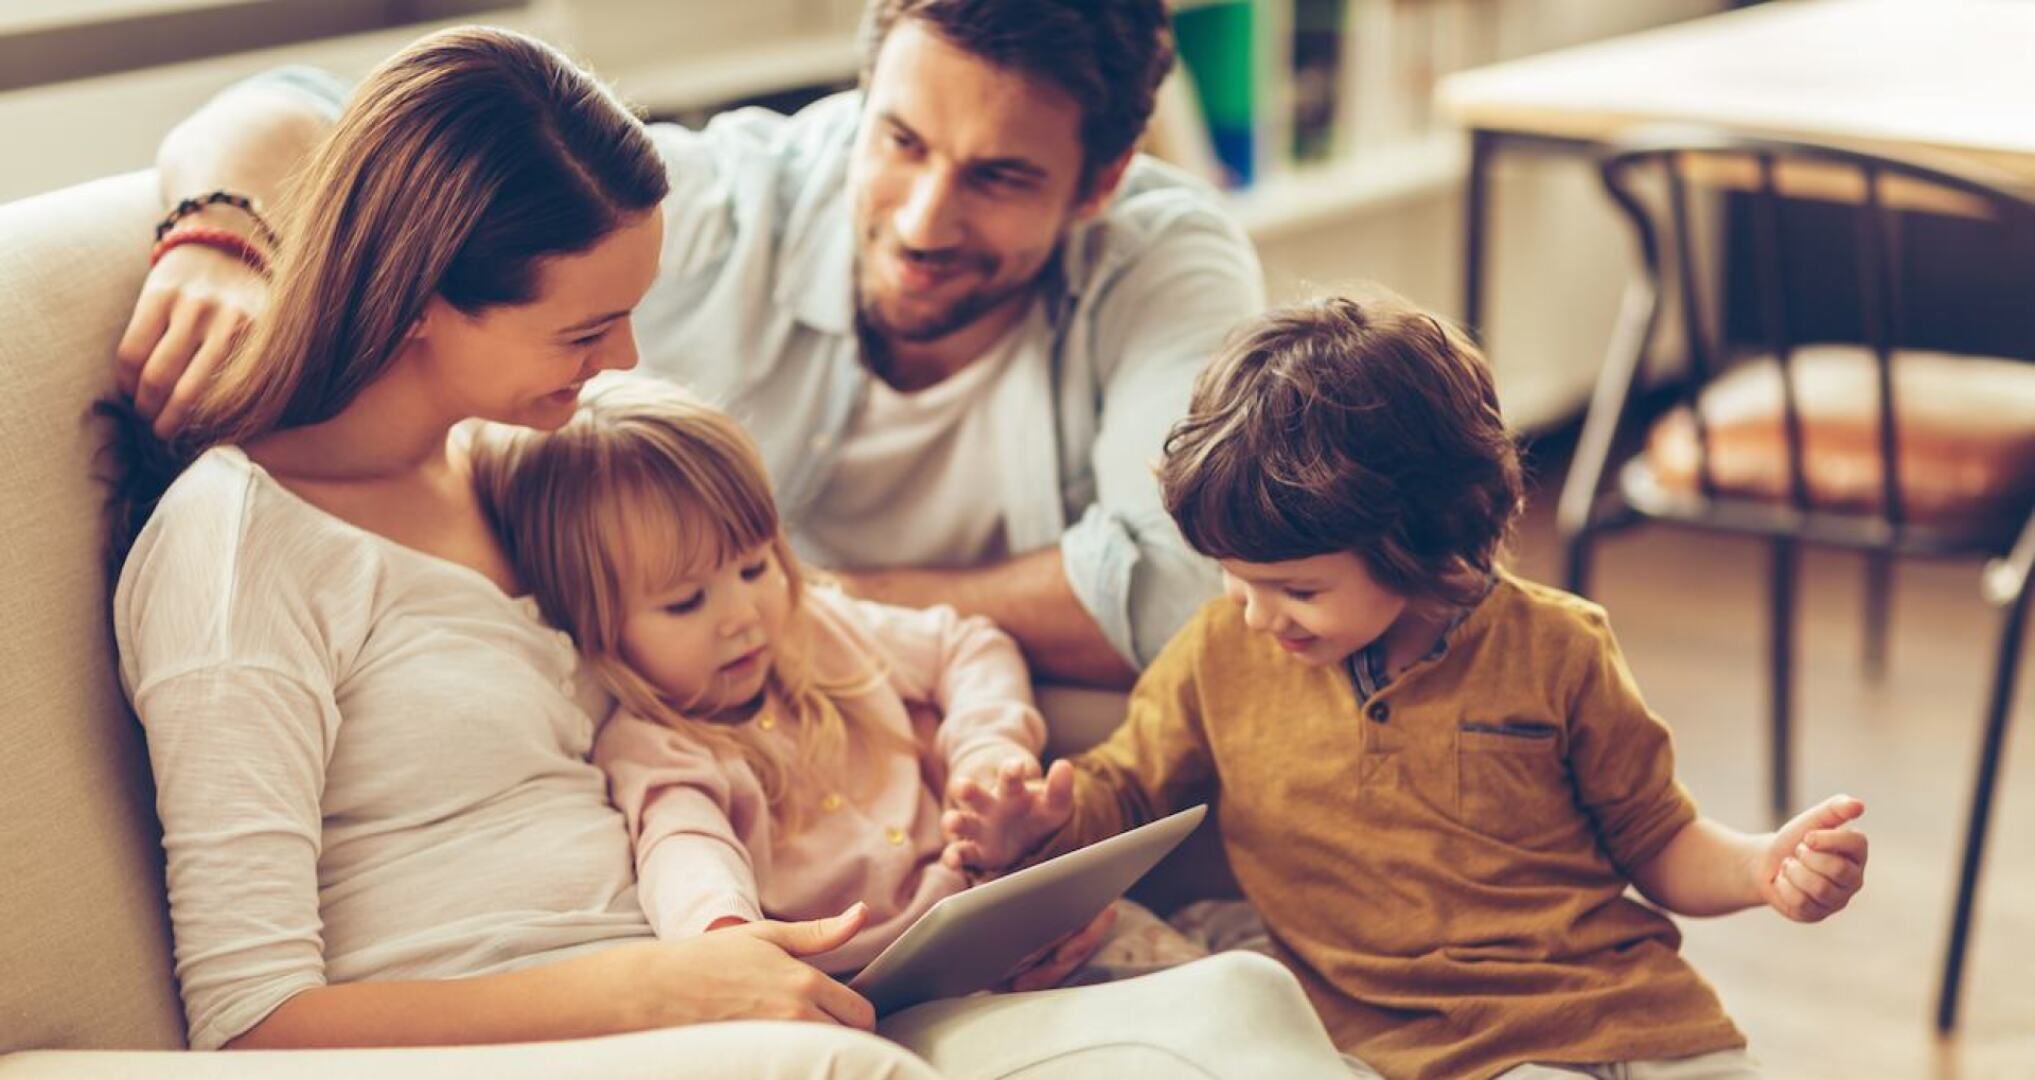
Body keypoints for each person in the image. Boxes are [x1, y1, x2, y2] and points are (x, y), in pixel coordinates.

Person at [105, 24, 1351, 1077]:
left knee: (1237, 1007)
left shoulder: (520, 477)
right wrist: (657, 993)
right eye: (588, 328)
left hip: (738, 978)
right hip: (570, 1029)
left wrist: (944, 906)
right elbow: (252, 1017)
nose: (629, 365)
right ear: (423, 296)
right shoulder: (237, 554)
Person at [115, 0, 1266, 689]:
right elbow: (306, 106)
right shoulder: (714, 208)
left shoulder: (1160, 259)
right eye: (901, 140)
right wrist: (217, 229)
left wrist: (758, 599)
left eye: (998, 177)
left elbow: (1184, 592)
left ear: (1100, 180)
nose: (923, 221)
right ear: (860, 96)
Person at [943, 292, 1873, 1080]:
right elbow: (1126, 789)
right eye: (1235, 576)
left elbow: (1656, 840)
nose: (1258, 614)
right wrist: (1042, 824)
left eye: (1298, 589)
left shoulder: (1559, 649)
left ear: (1428, 540)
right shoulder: (1221, 649)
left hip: (1618, 1005)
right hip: (1404, 1040)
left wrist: (1758, 868)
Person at [469, 379, 1058, 974]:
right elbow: (685, 849)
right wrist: (723, 928)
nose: (742, 616)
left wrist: (985, 752)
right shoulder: (658, 747)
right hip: (868, 978)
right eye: (685, 602)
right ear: (596, 629)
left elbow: (970, 644)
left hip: (986, 915)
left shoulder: (819, 629)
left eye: (755, 567)